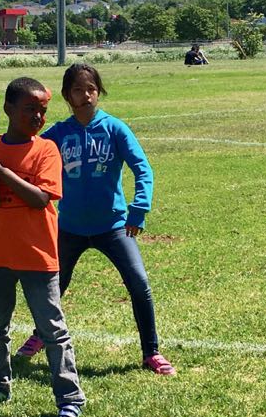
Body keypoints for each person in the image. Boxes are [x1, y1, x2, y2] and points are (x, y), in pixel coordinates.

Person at [14, 63, 174, 375]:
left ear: (98, 92)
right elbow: (29, 154)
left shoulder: (114, 128)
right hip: (69, 228)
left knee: (139, 283)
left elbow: (143, 169)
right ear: (66, 95)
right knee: (53, 288)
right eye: (78, 89)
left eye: (91, 89)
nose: (86, 95)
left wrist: (138, 208)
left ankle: (150, 352)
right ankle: (40, 336)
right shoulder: (59, 134)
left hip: (113, 227)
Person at [0, 77, 86, 417]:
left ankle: (69, 400)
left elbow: (40, 199)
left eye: (43, 110)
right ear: (8, 110)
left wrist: (3, 173)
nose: (38, 116)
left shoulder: (46, 150)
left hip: (37, 254)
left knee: (53, 331)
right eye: (30, 109)